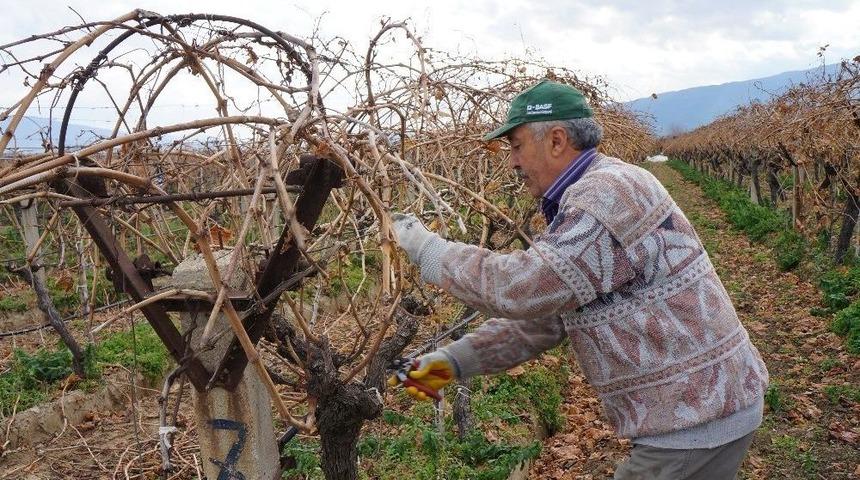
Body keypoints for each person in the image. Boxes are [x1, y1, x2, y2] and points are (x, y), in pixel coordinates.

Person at [389, 80, 769, 480]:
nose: (511, 163)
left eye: (516, 146)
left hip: (694, 418)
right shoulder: (594, 191)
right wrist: (449, 363)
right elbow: (548, 318)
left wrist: (426, 248)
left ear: (556, 140)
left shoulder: (606, 195)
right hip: (700, 409)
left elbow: (521, 289)